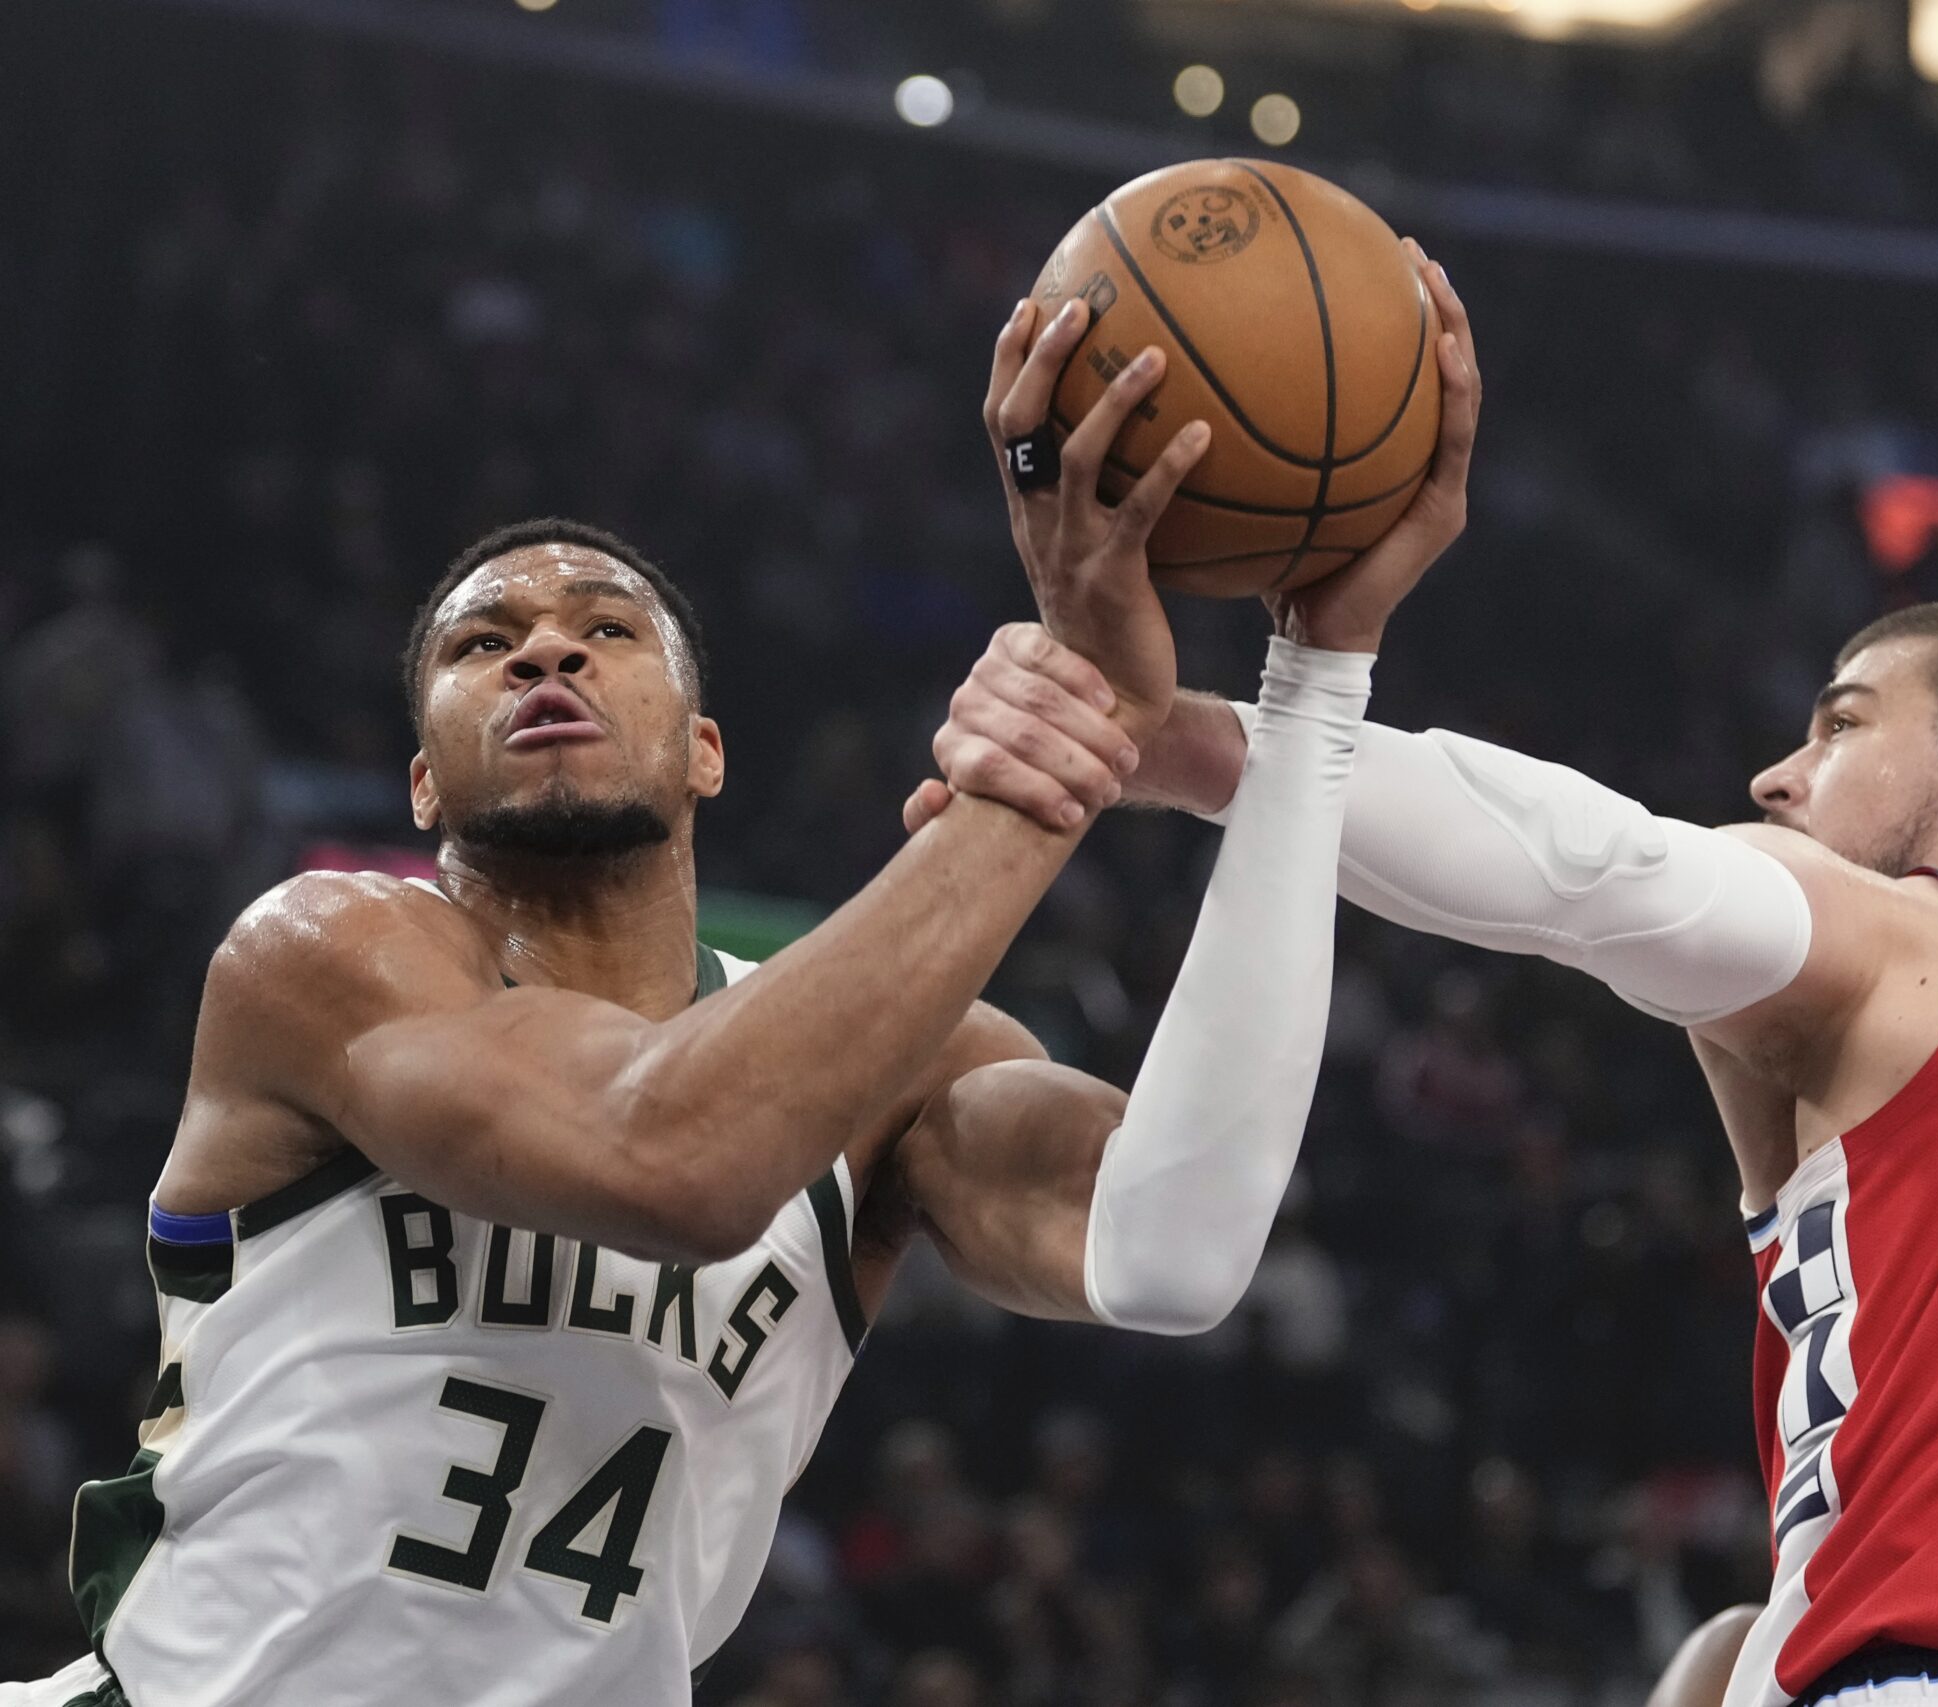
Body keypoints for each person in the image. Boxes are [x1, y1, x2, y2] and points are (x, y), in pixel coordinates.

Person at [9, 257, 1479, 1707]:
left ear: (704, 748)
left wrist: (1317, 695)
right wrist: (1058, 755)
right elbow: (672, 1158)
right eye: (483, 644)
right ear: (420, 782)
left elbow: (1179, 1251)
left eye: (605, 629)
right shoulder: (328, 955)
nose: (545, 653)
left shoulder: (913, 1075)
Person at [919, 592, 1938, 1707]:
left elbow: (1587, 870)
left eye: (1841, 726)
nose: (1777, 774)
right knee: (1730, 1655)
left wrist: (1200, 748)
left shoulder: (1921, 950)